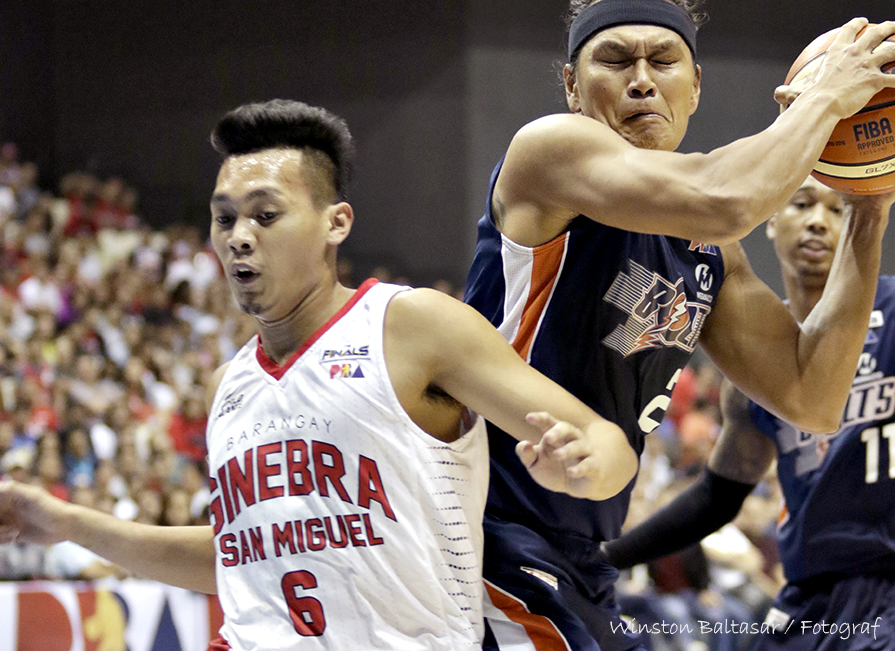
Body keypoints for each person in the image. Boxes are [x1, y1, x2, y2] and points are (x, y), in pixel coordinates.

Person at [0, 99, 638, 651]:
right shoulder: (230, 385)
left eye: (265, 215)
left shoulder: (410, 325)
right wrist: (67, 524)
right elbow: (241, 557)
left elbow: (607, 444)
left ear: (336, 222)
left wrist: (583, 466)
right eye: (225, 218)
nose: (239, 237)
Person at [463, 0, 895, 651]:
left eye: (662, 62)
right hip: (483, 536)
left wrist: (869, 210)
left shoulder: (707, 252)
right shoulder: (550, 151)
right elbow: (723, 197)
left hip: (578, 558)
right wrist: (825, 100)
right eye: (614, 61)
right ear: (572, 85)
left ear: (694, 87)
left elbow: (812, 395)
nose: (639, 81)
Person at [604, 172, 895, 649]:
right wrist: (608, 555)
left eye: (837, 209)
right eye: (802, 205)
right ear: (773, 221)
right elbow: (717, 497)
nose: (819, 222)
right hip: (811, 596)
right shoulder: (762, 363)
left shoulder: (894, 308)